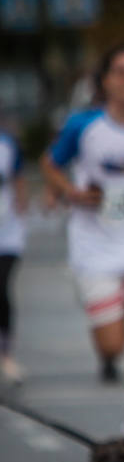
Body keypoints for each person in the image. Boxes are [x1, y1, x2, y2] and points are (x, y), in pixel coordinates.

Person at [41, 45, 124, 440]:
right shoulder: (84, 127)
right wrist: (71, 191)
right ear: (106, 82)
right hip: (95, 244)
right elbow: (51, 163)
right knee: (114, 345)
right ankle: (109, 341)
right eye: (120, 71)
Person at [0, 128, 26, 384]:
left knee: (2, 288)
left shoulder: (7, 144)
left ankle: (6, 355)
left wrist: (21, 206)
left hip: (6, 235)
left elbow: (18, 178)